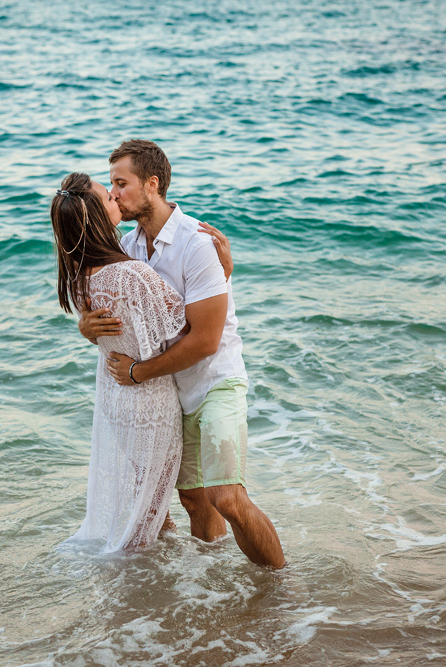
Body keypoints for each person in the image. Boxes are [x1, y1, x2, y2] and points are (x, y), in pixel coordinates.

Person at [78, 140, 285, 568]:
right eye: (111, 185)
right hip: (172, 392)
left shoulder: (197, 243)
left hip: (214, 381)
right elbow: (113, 316)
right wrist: (85, 326)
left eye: (122, 183)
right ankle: (210, 587)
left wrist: (139, 372)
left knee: (226, 497)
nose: (113, 194)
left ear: (152, 184)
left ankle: (283, 589)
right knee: (193, 500)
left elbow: (206, 340)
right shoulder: (130, 248)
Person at [50, 172, 187, 553]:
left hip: (116, 399)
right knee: (152, 505)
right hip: (148, 401)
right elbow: (185, 323)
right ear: (95, 218)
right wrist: (222, 271)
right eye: (107, 198)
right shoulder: (131, 274)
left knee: (151, 498)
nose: (114, 196)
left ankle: (162, 570)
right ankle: (127, 578)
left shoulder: (79, 278)